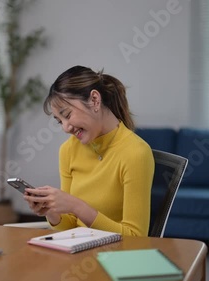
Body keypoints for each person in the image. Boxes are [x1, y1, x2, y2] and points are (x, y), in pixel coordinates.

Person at [23, 65, 154, 236]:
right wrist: (51, 211)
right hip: (76, 253)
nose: (65, 127)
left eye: (67, 115)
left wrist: (76, 206)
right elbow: (69, 228)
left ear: (94, 100)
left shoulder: (136, 153)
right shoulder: (68, 150)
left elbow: (135, 238)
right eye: (59, 121)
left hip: (114, 257)